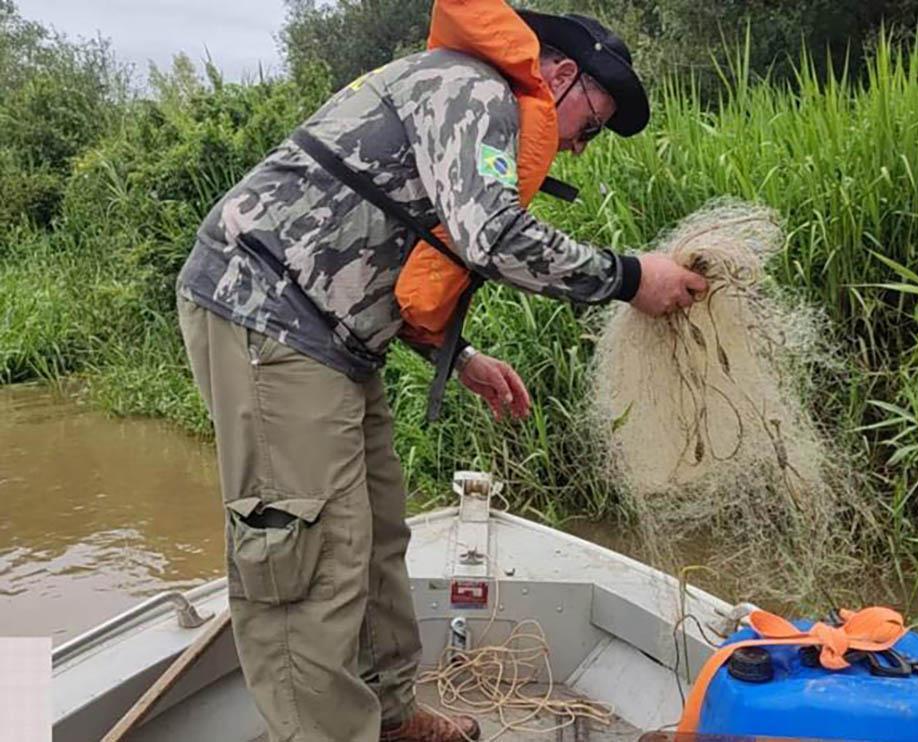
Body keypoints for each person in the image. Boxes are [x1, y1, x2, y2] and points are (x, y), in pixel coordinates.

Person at [175, 3, 707, 740]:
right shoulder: (475, 89)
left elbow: (378, 250)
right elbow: (491, 235)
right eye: (590, 124)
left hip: (334, 341)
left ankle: (391, 716)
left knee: (377, 535)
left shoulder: (477, 100)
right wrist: (627, 278)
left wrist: (454, 357)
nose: (580, 148)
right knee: (308, 561)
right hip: (265, 319)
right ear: (559, 75)